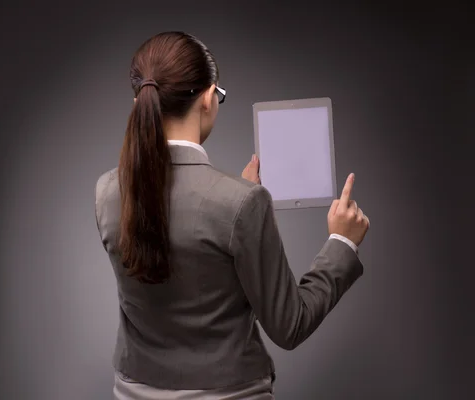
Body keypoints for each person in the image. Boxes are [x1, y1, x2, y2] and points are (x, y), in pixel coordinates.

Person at [94, 31, 370, 400]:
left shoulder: (106, 191)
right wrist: (342, 243)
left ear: (139, 102)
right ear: (208, 98)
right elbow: (290, 325)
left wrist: (239, 206)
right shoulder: (242, 204)